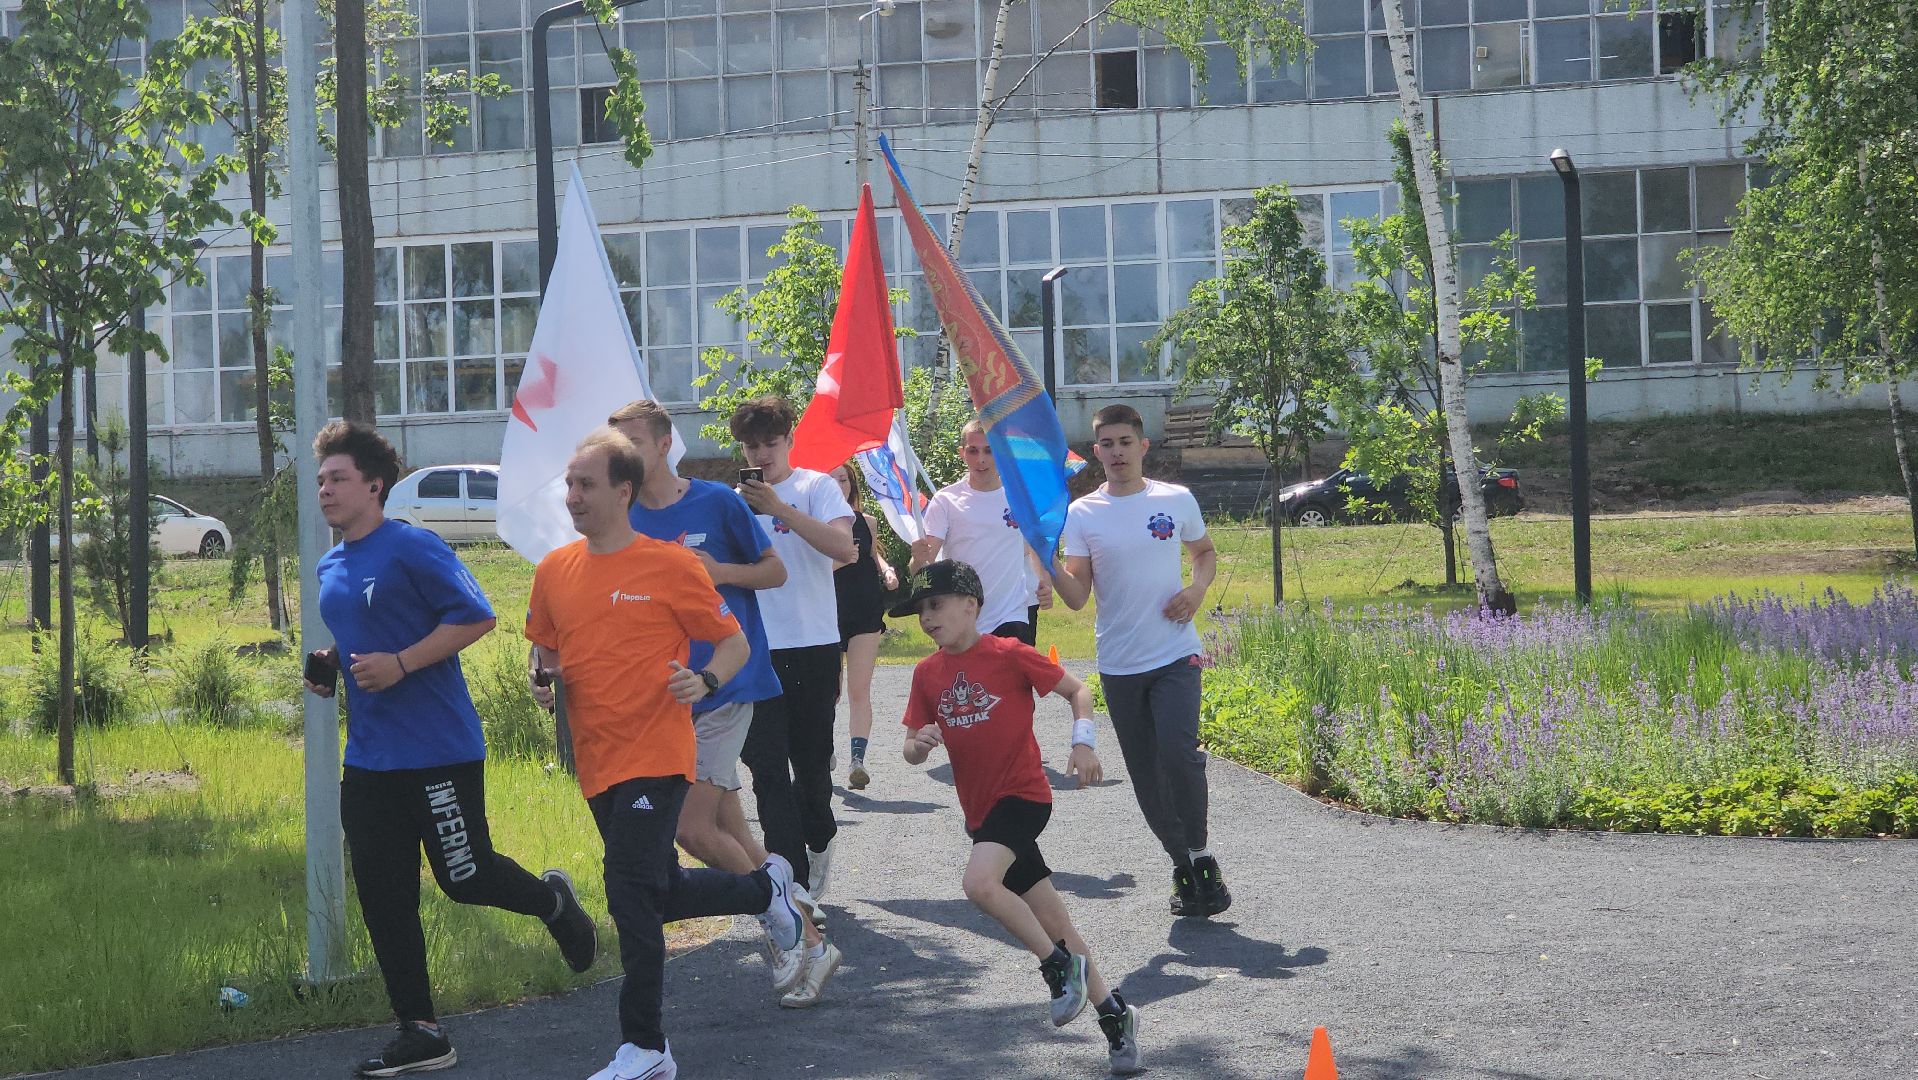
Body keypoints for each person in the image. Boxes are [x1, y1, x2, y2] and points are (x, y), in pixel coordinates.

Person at [305, 420, 597, 1078]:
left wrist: (403, 664)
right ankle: (422, 1029)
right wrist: (331, 662)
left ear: (374, 486)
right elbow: (362, 641)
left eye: (337, 478)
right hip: (370, 763)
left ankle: (554, 902)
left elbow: (477, 616)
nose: (324, 488)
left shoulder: (412, 547)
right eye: (321, 479)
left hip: (438, 752)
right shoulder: (331, 565)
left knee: (465, 879)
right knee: (383, 896)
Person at [525, 429, 805, 1080]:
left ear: (624, 491)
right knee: (657, 890)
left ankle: (646, 1049)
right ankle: (767, 888)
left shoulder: (670, 566)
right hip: (596, 758)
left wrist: (705, 680)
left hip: (658, 750)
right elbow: (547, 651)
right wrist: (542, 678)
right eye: (568, 483)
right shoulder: (554, 571)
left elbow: (731, 645)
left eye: (585, 484)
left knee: (627, 889)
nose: (572, 496)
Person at [602, 398, 840, 1006]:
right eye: (615, 443)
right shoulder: (622, 517)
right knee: (731, 825)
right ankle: (809, 934)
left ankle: (778, 917)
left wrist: (717, 572)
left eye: (633, 441)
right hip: (666, 696)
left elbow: (774, 573)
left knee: (690, 826)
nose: (623, 454)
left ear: (663, 444)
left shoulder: (717, 502)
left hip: (727, 683)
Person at [894, 560, 1143, 1076]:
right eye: (920, 610)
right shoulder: (926, 674)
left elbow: (1079, 691)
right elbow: (909, 749)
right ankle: (1114, 1016)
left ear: (971, 605)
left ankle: (1057, 969)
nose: (927, 617)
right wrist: (917, 745)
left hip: (1025, 797)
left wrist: (1083, 742)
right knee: (1056, 922)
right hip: (981, 815)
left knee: (979, 885)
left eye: (936, 605)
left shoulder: (1008, 655)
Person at [1048, 403, 1228, 920]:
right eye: (1107, 444)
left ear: (1143, 446)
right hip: (1121, 664)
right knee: (1147, 775)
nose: (1117, 452)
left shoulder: (1176, 500)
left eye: (1126, 442)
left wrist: (1196, 590)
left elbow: (1205, 552)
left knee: (1179, 752)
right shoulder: (1083, 513)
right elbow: (1078, 596)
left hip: (1175, 653)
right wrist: (1046, 560)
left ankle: (1201, 852)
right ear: (1097, 450)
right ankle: (1182, 866)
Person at [729, 397, 857, 898]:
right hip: (755, 649)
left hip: (813, 644)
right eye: (751, 446)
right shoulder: (732, 501)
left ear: (789, 441)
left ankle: (820, 838)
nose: (762, 455)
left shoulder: (816, 487)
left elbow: (844, 548)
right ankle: (794, 887)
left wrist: (779, 509)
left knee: (810, 769)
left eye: (771, 444)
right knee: (766, 770)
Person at [909, 419, 1051, 646]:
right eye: (973, 451)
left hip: (1012, 614)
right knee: (966, 683)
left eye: (989, 451)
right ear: (962, 453)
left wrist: (1044, 580)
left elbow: (1034, 544)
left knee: (1011, 681)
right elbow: (922, 568)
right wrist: (917, 558)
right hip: (961, 621)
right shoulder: (946, 501)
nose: (981, 459)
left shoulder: (1020, 497)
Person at [829, 462, 898, 791]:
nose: (839, 485)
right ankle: (823, 750)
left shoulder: (866, 522)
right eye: (831, 480)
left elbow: (872, 554)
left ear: (851, 484)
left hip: (865, 609)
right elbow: (810, 571)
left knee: (859, 689)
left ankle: (858, 760)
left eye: (843, 479)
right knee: (830, 691)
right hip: (827, 614)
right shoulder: (815, 525)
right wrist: (838, 561)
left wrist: (887, 570)